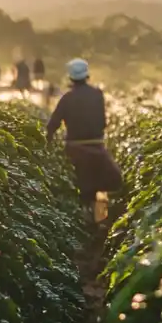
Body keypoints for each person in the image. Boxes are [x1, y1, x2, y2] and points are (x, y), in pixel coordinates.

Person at [46, 59, 122, 222]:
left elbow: (53, 124)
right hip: (96, 146)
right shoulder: (97, 95)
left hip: (74, 148)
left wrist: (48, 141)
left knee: (75, 185)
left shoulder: (67, 98)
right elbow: (102, 122)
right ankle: (102, 218)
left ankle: (81, 219)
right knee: (112, 180)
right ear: (86, 76)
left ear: (71, 78)